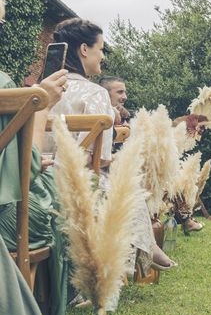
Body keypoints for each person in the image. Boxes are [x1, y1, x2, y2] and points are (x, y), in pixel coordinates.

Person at [0, 0, 123, 315]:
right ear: (85, 49)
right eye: (101, 49)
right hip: (32, 195)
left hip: (46, 182)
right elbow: (29, 168)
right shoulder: (87, 95)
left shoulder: (30, 84)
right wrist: (38, 106)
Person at [44, 18, 175, 275]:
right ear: (84, 49)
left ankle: (146, 247)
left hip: (39, 177)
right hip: (76, 182)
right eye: (101, 49)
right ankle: (141, 251)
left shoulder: (41, 90)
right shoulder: (95, 93)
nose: (102, 56)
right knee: (125, 188)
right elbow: (101, 159)